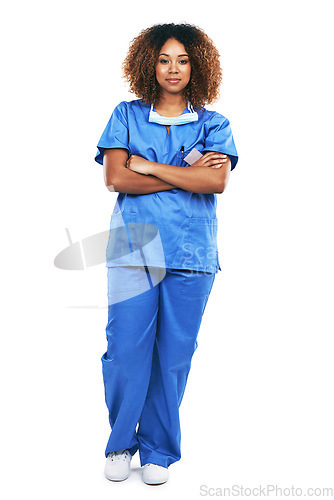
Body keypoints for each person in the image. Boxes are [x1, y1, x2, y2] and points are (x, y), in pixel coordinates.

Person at [94, 22, 238, 486]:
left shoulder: (213, 124)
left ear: (196, 65)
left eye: (182, 59)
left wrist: (150, 165)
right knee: (125, 351)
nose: (172, 68)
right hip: (132, 251)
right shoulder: (127, 115)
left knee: (173, 356)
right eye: (163, 59)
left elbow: (215, 182)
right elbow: (116, 178)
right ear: (148, 64)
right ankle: (120, 443)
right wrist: (183, 171)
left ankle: (158, 448)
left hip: (191, 252)